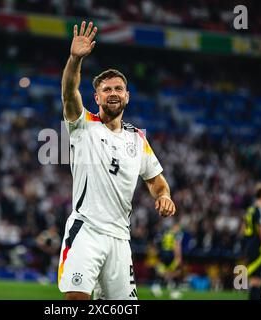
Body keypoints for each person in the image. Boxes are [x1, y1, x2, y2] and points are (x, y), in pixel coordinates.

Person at [58, 21, 176, 300]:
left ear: (127, 96)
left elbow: (157, 181)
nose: (113, 93)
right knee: (76, 299)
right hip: (86, 230)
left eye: (119, 88)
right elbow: (68, 93)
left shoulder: (138, 140)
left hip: (120, 240)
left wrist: (165, 196)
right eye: (107, 89)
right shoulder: (83, 125)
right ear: (96, 97)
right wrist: (75, 59)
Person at [241, 182, 261, 300]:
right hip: (258, 248)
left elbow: (243, 229)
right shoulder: (260, 210)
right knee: (257, 280)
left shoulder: (251, 209)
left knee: (258, 279)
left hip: (249, 246)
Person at [150, 221, 183, 297]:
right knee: (176, 271)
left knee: (163, 271)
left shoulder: (166, 233)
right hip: (171, 254)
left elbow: (159, 243)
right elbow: (177, 246)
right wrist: (178, 257)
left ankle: (156, 287)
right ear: (175, 227)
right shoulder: (177, 234)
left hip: (163, 254)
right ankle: (174, 291)